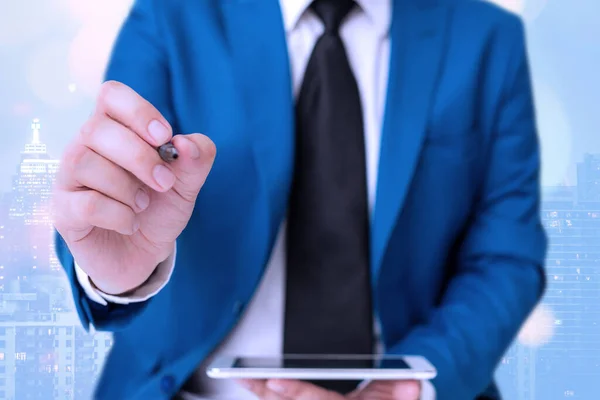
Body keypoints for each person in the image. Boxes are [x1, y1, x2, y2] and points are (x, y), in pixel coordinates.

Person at [53, 0, 547, 399]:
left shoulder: (487, 40)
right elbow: (111, 180)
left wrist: (410, 385)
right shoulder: (170, 18)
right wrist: (118, 271)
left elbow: (506, 258)